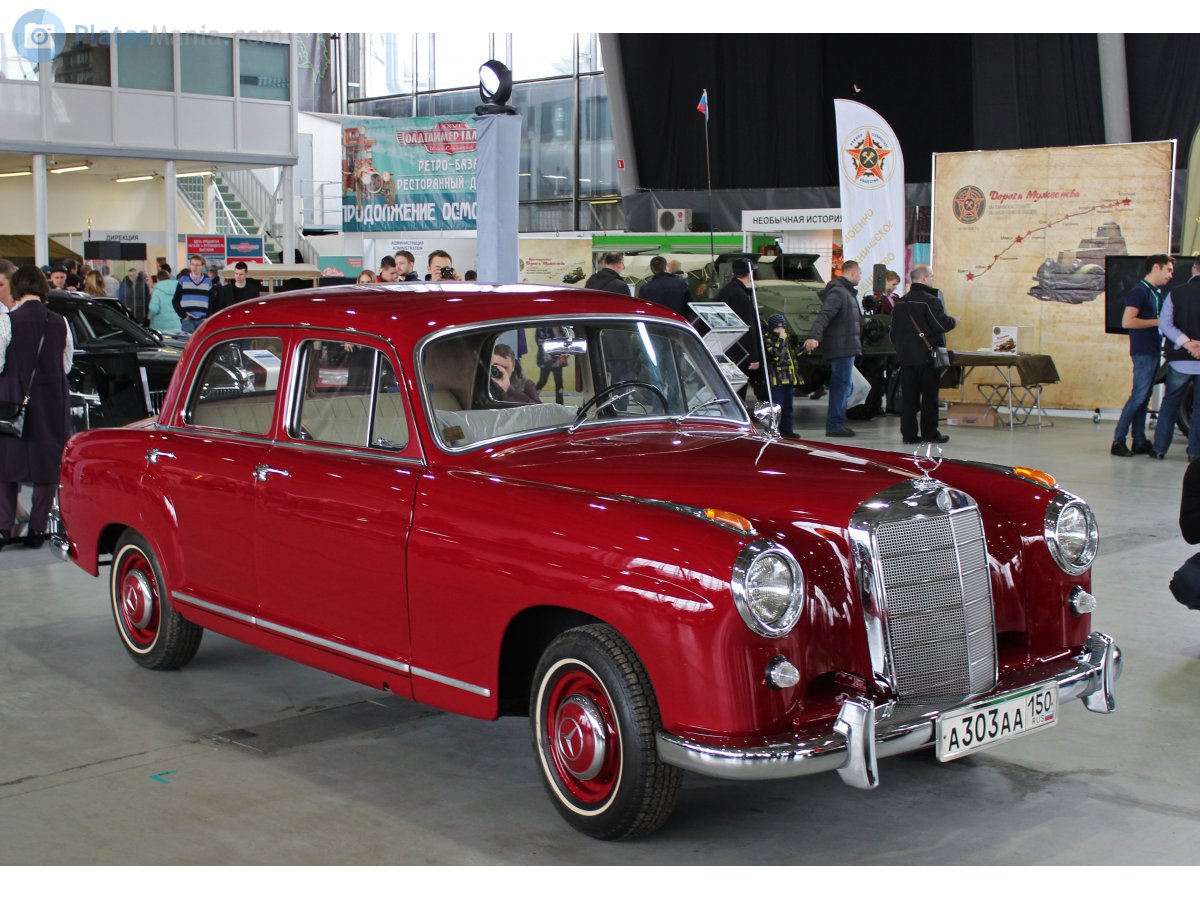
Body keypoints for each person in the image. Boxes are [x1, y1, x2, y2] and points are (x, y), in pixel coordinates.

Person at [0, 265, 72, 550]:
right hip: (52, 402)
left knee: (6, 465)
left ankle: (4, 527)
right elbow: (65, 364)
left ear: (16, 289)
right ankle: (37, 530)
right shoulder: (60, 322)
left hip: (12, 402)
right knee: (47, 465)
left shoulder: (7, 322)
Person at [1112, 254, 1175, 457]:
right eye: (1169, 270)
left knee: (1145, 396)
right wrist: (1157, 322)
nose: (1171, 275)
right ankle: (1118, 440)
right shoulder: (1139, 291)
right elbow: (1127, 322)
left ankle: (1139, 439)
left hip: (1154, 349)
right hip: (1143, 352)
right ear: (1156, 267)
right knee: (1138, 396)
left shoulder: (1156, 293)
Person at [890, 265, 958, 445]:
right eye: (932, 277)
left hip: (906, 358)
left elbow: (893, 333)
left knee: (908, 399)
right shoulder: (930, 301)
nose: (933, 280)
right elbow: (941, 324)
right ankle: (930, 433)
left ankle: (909, 435)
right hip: (927, 357)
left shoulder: (900, 303)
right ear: (925, 278)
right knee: (929, 397)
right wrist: (954, 321)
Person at [804, 260, 863, 438]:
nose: (860, 276)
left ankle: (837, 423)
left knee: (843, 386)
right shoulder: (839, 292)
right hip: (842, 347)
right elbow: (825, 314)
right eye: (859, 273)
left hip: (845, 346)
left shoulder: (845, 292)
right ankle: (835, 425)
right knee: (841, 386)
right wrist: (814, 335)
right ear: (852, 273)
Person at [1151, 256, 1200, 460]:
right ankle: (1195, 453)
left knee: (1170, 403)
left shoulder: (1176, 292)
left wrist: (1187, 343)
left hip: (1179, 359)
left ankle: (1159, 449)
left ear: (1194, 269)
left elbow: (1165, 324)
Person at [718, 258, 763, 402]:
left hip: (725, 347)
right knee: (738, 392)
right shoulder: (741, 295)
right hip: (740, 353)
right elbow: (748, 327)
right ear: (750, 273)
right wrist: (754, 356)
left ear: (733, 272)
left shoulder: (725, 291)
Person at [763, 313, 800, 438]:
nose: (780, 331)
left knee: (788, 407)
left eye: (782, 328)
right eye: (777, 328)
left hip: (788, 378)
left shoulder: (786, 339)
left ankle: (787, 430)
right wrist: (782, 339)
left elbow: (791, 354)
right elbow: (777, 354)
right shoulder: (768, 340)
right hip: (776, 379)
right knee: (775, 407)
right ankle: (772, 430)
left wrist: (803, 349)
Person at [172, 254, 215, 335]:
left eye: (197, 265)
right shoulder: (183, 280)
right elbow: (175, 300)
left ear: (202, 266)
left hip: (203, 319)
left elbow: (211, 300)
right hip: (188, 319)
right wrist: (183, 316)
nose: (194, 267)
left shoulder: (208, 281)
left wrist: (208, 316)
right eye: (192, 264)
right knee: (187, 344)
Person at [535, 325, 568, 405]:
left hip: (558, 359)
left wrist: (564, 354)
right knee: (542, 381)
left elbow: (564, 340)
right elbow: (540, 341)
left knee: (559, 382)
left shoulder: (560, 327)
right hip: (546, 359)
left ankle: (560, 404)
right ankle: (532, 398)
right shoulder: (542, 327)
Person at [148, 268, 180, 335]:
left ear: (158, 279)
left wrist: (149, 315)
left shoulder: (157, 291)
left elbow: (154, 309)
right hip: (177, 326)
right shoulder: (178, 289)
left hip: (161, 327)